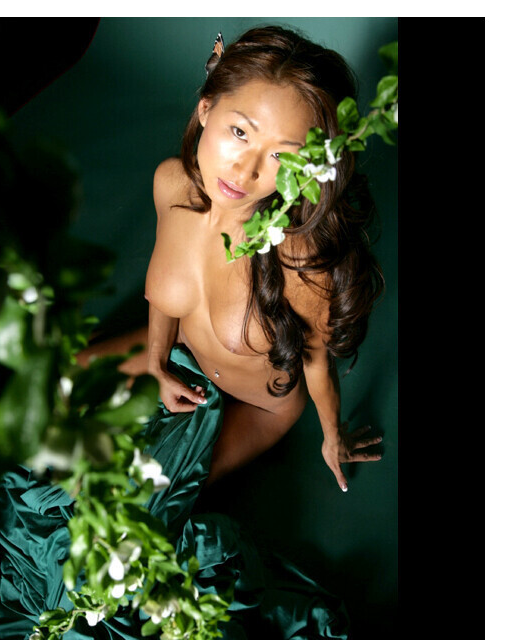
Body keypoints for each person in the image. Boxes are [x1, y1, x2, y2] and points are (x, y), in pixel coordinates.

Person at [85, 24, 384, 493]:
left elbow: (317, 365)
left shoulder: (302, 262)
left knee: (137, 499)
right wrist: (157, 362)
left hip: (263, 405)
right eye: (240, 131)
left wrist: (333, 438)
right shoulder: (171, 184)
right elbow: (162, 292)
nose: (245, 171)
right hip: (183, 351)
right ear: (207, 108)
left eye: (282, 158)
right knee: (60, 380)